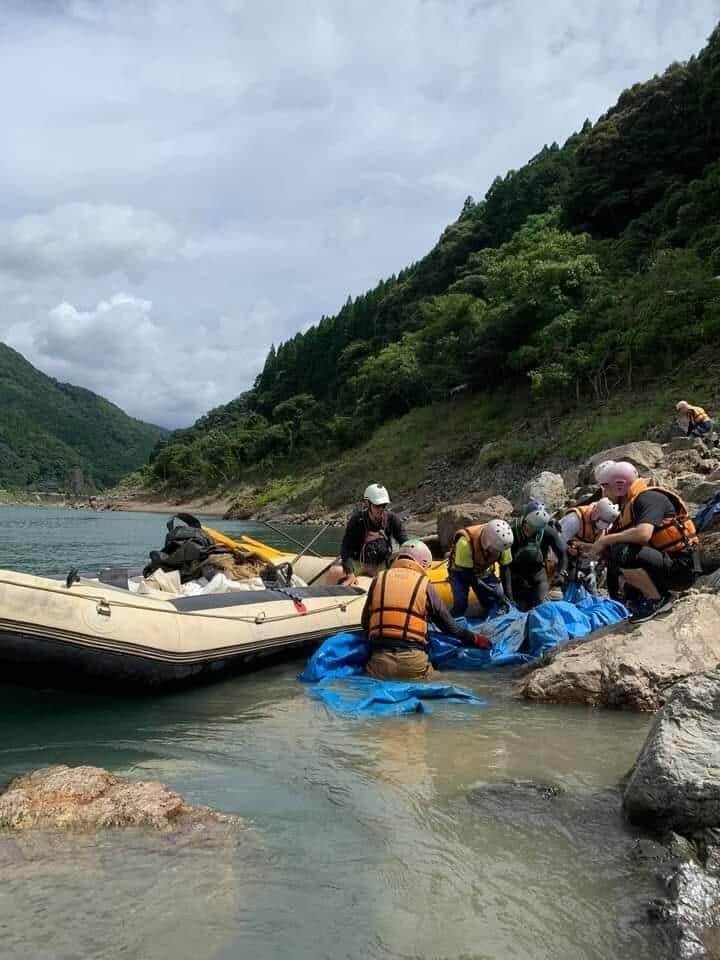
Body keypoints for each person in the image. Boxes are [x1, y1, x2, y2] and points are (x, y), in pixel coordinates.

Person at [581, 460, 700, 623]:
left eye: (606, 487)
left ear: (619, 485)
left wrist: (607, 539)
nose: (604, 492)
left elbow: (643, 534)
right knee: (615, 556)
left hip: (682, 568)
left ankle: (658, 601)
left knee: (621, 551)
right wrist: (592, 547)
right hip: (668, 563)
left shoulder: (648, 498)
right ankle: (651, 597)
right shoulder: (631, 504)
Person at [362, 540, 491, 681]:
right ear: (423, 563)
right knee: (441, 680)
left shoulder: (378, 579)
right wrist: (476, 638)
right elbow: (451, 628)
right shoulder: (425, 585)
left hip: (379, 663)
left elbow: (365, 623)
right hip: (413, 663)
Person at [337, 483, 408, 586]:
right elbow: (346, 549)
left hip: (382, 565)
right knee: (336, 574)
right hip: (359, 564)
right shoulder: (357, 520)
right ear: (368, 503)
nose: (381, 509)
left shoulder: (392, 519)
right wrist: (350, 573)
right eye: (377, 505)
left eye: (384, 506)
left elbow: (404, 541)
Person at [447, 519, 514, 617]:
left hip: (484, 571)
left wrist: (508, 596)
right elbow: (467, 575)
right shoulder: (465, 543)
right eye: (494, 550)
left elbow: (505, 568)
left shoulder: (502, 543)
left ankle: (488, 618)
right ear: (487, 543)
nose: (496, 553)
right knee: (461, 605)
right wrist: (490, 590)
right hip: (460, 572)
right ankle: (451, 623)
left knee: (494, 600)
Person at [509, 502, 568, 611]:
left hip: (537, 573)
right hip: (515, 574)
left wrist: (561, 573)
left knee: (542, 606)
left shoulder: (548, 532)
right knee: (520, 608)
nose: (530, 531)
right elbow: (505, 566)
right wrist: (508, 596)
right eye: (529, 527)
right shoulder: (511, 530)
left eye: (535, 529)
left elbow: (562, 554)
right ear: (524, 520)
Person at [558, 497, 619, 594]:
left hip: (585, 560)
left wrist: (586, 550)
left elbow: (599, 547)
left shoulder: (605, 524)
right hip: (564, 558)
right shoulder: (574, 520)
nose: (602, 527)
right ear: (595, 514)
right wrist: (570, 550)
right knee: (564, 586)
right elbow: (558, 542)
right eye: (601, 522)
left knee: (591, 588)